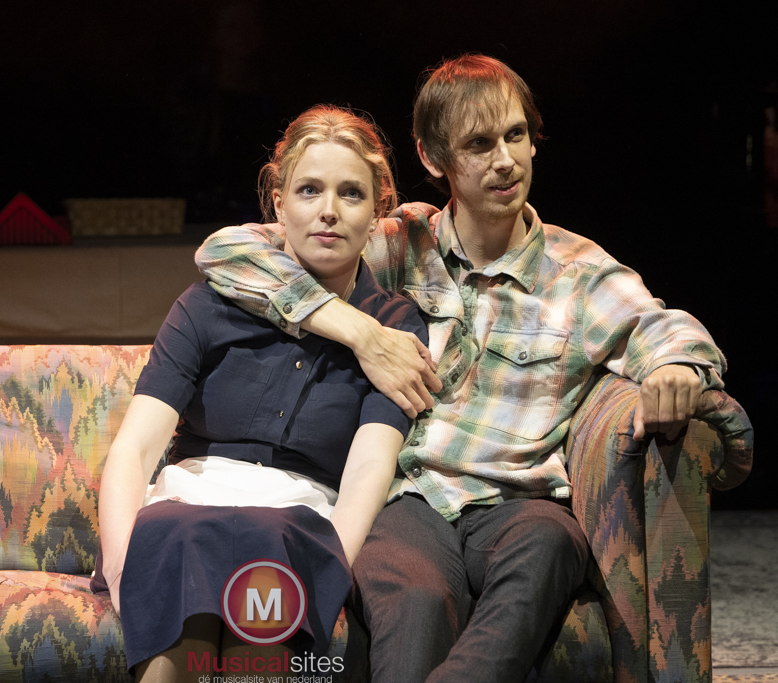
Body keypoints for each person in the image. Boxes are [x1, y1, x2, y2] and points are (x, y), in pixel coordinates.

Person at [194, 54, 726, 682]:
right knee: (416, 596)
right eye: (479, 144)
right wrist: (361, 331)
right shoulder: (397, 243)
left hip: (519, 501)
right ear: (432, 156)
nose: (506, 161)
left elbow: (665, 327)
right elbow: (227, 252)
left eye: (516, 136)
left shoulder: (577, 274)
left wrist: (676, 367)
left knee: (554, 545)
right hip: (409, 495)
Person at [93, 105, 429, 682]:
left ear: (378, 213)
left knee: (269, 550)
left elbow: (370, 466)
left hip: (296, 520)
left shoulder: (394, 328)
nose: (328, 210)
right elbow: (136, 448)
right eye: (309, 190)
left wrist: (334, 563)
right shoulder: (208, 303)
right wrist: (122, 566)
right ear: (278, 203)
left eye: (350, 193)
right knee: (181, 535)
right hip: (188, 506)